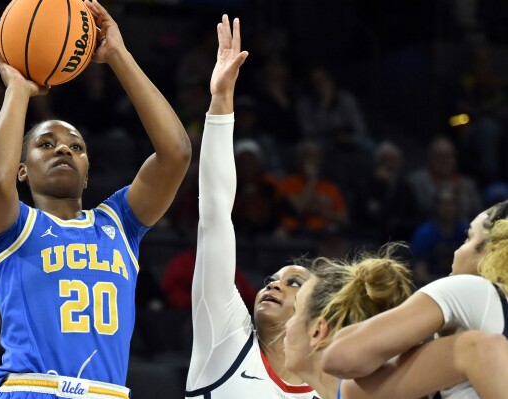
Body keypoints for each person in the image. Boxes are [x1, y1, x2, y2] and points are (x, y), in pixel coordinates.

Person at [0, 0, 191, 397]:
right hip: (31, 388)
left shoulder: (120, 224)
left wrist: (118, 56)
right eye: (46, 144)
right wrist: (19, 90)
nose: (63, 150)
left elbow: (176, 153)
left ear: (88, 170)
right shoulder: (13, 227)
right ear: (21, 169)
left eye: (76, 147)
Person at [185, 15, 319, 398]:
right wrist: (221, 101)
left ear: (319, 321)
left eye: (294, 283)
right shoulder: (225, 338)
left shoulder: (330, 389)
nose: (274, 283)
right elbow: (214, 216)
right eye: (274, 279)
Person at [321, 199, 508, 398]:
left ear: (493, 250)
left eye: (468, 238)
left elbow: (341, 357)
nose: (456, 250)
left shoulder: (474, 288)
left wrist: (409, 349)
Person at [284, 262, 508, 398]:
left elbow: (479, 349)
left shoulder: (362, 391)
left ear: (318, 332)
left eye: (295, 310)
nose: (286, 324)